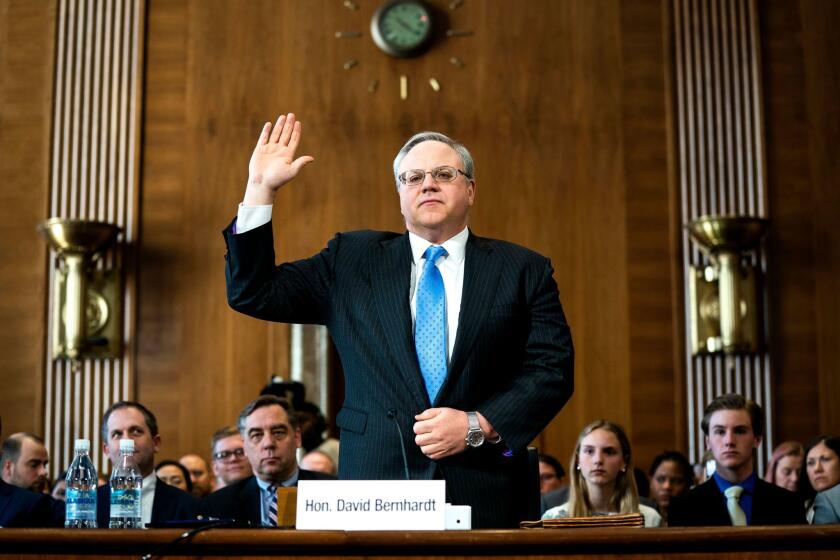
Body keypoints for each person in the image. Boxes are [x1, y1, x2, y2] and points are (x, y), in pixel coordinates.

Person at [223, 114, 575, 528]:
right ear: (400, 194)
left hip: (485, 485)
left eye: (444, 173)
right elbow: (253, 292)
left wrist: (476, 425)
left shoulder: (522, 269)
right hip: (377, 486)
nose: (428, 184)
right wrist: (260, 189)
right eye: (413, 177)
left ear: (471, 189)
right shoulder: (350, 260)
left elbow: (553, 369)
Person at [669, 394, 805, 526]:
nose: (729, 441)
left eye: (739, 431)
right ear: (708, 441)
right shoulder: (682, 507)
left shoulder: (789, 504)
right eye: (720, 432)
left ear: (757, 439)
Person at [199, 396, 335, 527]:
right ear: (245, 446)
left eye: (278, 432)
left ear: (297, 438)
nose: (268, 443)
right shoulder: (217, 505)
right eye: (257, 435)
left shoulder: (334, 492)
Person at [96, 401, 198, 527]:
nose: (126, 440)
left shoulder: (188, 505)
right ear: (106, 450)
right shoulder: (88, 505)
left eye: (136, 431)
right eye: (117, 434)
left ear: (156, 443)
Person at [541, 420, 660, 527]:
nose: (598, 460)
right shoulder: (553, 519)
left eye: (609, 452)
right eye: (589, 451)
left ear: (624, 461)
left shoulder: (649, 519)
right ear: (578, 460)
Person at [0, 418, 63, 528]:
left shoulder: (43, 505)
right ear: (8, 467)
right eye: (34, 465)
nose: (44, 472)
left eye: (45, 465)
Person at [801, 435, 840, 523]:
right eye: (810, 463)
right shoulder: (802, 504)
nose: (817, 469)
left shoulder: (827, 498)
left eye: (825, 459)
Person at [648, 450, 693, 526]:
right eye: (661, 479)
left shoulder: (697, 519)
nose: (667, 486)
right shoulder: (642, 517)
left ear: (688, 484)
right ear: (651, 481)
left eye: (675, 481)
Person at [210, 425, 251, 490]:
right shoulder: (208, 500)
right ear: (215, 468)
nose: (233, 459)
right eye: (223, 455)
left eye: (240, 452)